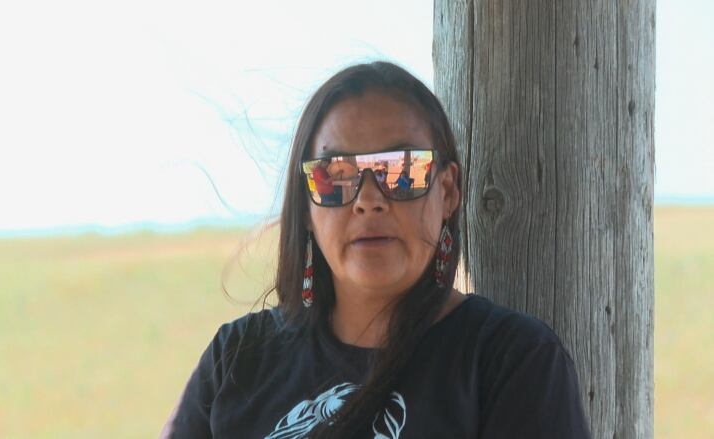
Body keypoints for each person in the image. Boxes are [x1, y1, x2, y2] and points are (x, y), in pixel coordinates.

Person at [162, 62, 591, 438]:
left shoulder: (513, 362)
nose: (369, 199)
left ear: (447, 190)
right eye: (336, 175)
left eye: (402, 170)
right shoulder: (237, 359)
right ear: (307, 204)